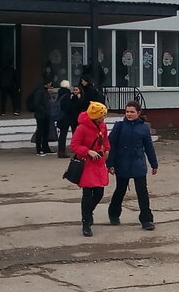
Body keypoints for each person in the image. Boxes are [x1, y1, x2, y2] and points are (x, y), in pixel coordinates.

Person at [106, 100, 159, 230]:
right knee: (120, 190)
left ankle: (146, 220)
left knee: (142, 192)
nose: (129, 114)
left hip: (138, 164)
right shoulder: (119, 126)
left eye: (132, 112)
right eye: (127, 111)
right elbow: (111, 146)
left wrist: (154, 163)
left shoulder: (143, 127)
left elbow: (149, 147)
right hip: (122, 163)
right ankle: (114, 214)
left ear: (138, 113)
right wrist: (110, 164)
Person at [70, 101, 111, 237]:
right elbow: (74, 145)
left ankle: (89, 212)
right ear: (95, 116)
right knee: (87, 194)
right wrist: (88, 151)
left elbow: (105, 140)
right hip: (87, 164)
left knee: (99, 193)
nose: (104, 118)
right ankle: (86, 222)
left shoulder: (102, 126)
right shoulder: (82, 128)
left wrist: (107, 150)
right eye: (102, 115)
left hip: (99, 162)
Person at [60, 83, 88, 158]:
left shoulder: (81, 97)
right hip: (69, 118)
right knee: (66, 134)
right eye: (74, 90)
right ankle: (63, 150)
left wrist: (79, 99)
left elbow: (82, 106)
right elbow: (69, 107)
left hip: (74, 119)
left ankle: (75, 148)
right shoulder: (69, 97)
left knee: (75, 134)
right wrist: (73, 99)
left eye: (76, 90)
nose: (75, 91)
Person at [31, 80, 53, 156]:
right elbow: (37, 103)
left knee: (46, 132)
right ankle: (39, 149)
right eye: (49, 83)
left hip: (46, 114)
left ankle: (46, 147)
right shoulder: (39, 91)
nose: (50, 85)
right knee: (40, 131)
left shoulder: (45, 91)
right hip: (40, 115)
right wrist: (44, 111)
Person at [55, 79, 71, 158]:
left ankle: (60, 150)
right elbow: (67, 107)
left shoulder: (59, 94)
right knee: (63, 135)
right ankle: (62, 151)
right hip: (65, 118)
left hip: (60, 117)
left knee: (61, 135)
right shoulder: (67, 95)